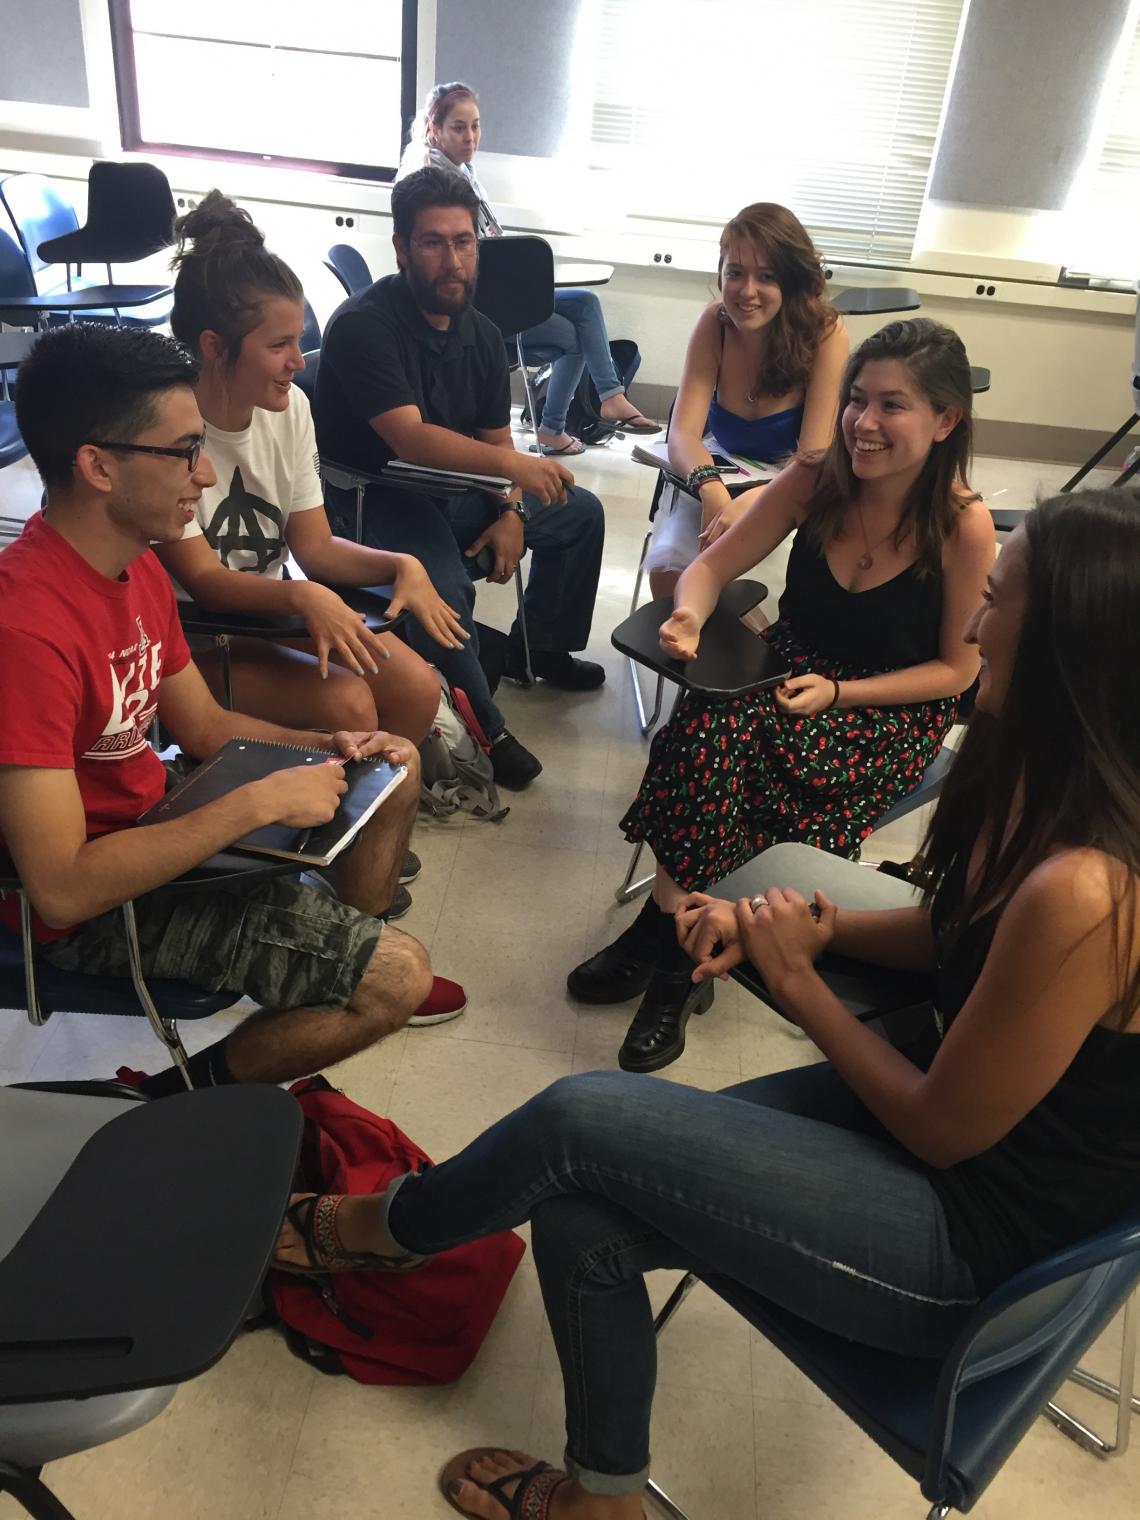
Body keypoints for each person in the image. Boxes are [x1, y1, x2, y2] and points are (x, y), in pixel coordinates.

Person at [268, 488, 1140, 1520]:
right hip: (949, 1140)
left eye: (998, 605)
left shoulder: (1089, 887)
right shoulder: (1048, 777)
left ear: (1068, 644)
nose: (975, 626)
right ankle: (603, 1500)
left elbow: (943, 1128)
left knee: (576, 1115)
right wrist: (821, 925)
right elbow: (958, 926)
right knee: (579, 1211)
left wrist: (804, 982)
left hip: (972, 1245)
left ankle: (376, 1230)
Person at [0, 321, 453, 1101]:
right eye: (181, 452)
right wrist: (253, 805)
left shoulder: (132, 565)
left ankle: (335, 959)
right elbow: (63, 889)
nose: (204, 475)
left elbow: (205, 728)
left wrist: (327, 743)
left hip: (158, 830)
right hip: (96, 911)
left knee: (392, 765)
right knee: (397, 981)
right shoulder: (24, 629)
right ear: (98, 467)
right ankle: (173, 1099)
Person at [568, 318, 995, 1073]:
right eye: (856, 399)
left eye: (892, 405)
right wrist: (691, 616)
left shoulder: (963, 526)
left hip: (885, 711)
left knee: (723, 740)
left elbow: (957, 675)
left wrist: (840, 693)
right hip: (793, 673)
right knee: (710, 724)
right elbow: (710, 566)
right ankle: (678, 936)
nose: (863, 422)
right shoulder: (816, 477)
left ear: (946, 419)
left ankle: (670, 946)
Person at [313, 165, 608, 791]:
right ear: (401, 249)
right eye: (434, 242)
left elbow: (494, 440)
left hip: (454, 490)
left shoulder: (481, 332)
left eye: (464, 241)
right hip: (373, 495)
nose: (454, 260)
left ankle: (546, 646)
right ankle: (489, 730)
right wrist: (514, 470)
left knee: (579, 512)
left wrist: (511, 512)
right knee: (443, 590)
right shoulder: (365, 324)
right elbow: (410, 437)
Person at [157, 190, 456, 752]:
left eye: (299, 341)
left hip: (268, 618)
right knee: (348, 703)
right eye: (279, 345)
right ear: (215, 347)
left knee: (418, 690)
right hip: (196, 634)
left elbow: (314, 546)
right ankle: (319, 816)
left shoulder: (290, 407)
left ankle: (355, 823)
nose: (299, 361)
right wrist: (302, 599)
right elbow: (204, 582)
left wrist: (399, 564)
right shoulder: (166, 427)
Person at [399, 81, 661, 456]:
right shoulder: (433, 183)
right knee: (573, 337)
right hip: (477, 306)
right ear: (433, 129)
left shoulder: (463, 173)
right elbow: (463, 262)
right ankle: (556, 426)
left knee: (585, 304)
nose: (471, 137)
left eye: (475, 126)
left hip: (495, 290)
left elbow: (487, 241)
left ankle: (607, 397)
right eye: (459, 127)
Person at [645, 201, 849, 597]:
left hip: (790, 484)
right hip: (718, 472)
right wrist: (711, 490)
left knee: (748, 584)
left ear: (790, 281)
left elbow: (812, 458)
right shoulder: (714, 324)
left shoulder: (825, 333)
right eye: (735, 273)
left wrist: (756, 501)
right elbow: (683, 433)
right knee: (670, 574)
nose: (747, 291)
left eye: (767, 276)